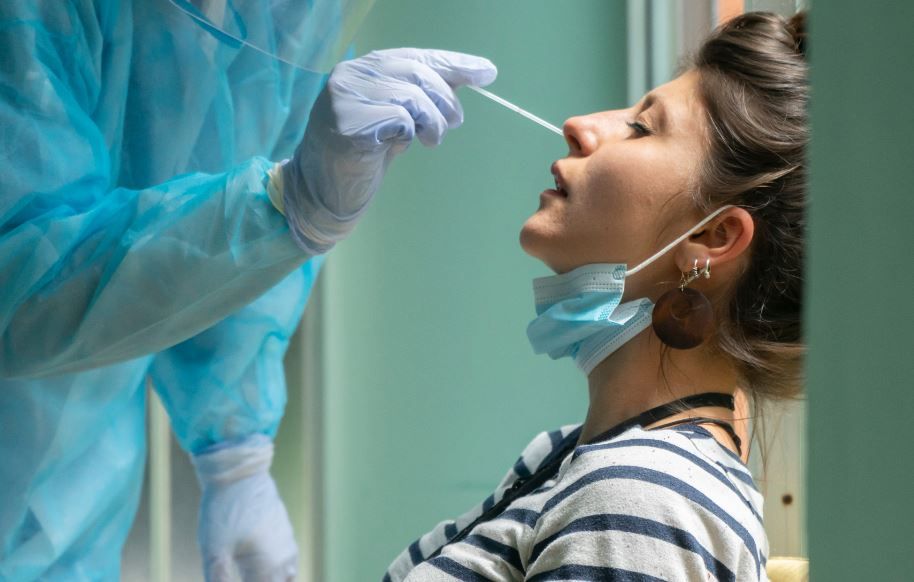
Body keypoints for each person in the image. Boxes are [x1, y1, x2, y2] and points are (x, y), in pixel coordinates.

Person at [0, 1, 496, 579]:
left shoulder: (292, 16)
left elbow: (213, 257)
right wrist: (285, 204)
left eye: (635, 126)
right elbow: (22, 278)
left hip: (81, 499)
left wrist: (236, 454)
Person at [384, 11, 807, 581]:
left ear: (711, 237)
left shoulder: (639, 498)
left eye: (641, 127)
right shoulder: (568, 457)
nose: (579, 125)